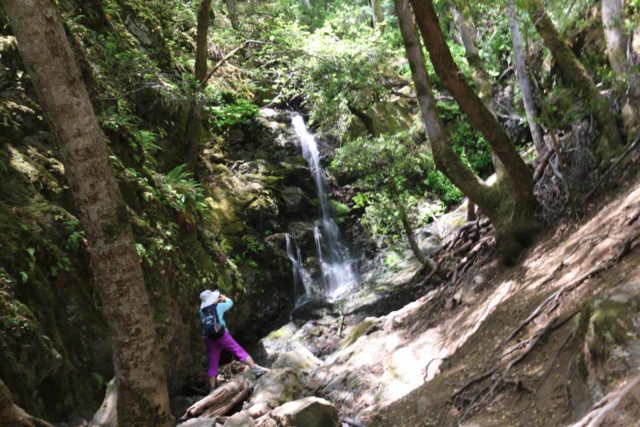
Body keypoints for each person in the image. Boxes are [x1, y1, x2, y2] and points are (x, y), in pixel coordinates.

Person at [198, 289, 268, 391]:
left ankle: (212, 388)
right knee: (238, 350)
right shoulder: (219, 306)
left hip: (210, 338)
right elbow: (230, 303)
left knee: (213, 363)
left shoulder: (202, 312)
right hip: (222, 335)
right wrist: (224, 298)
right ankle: (254, 369)